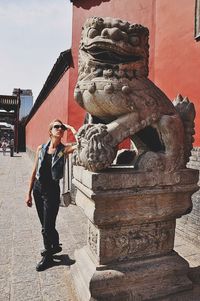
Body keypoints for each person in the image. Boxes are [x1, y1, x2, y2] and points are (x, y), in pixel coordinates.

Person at [25, 119, 77, 271]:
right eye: (56, 127)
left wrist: (72, 128)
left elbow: (82, 144)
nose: (60, 129)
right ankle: (53, 246)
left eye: (62, 127)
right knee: (45, 225)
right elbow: (34, 171)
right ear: (50, 131)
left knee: (47, 227)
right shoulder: (41, 148)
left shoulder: (64, 150)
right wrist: (28, 193)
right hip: (38, 189)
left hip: (52, 192)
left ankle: (48, 257)